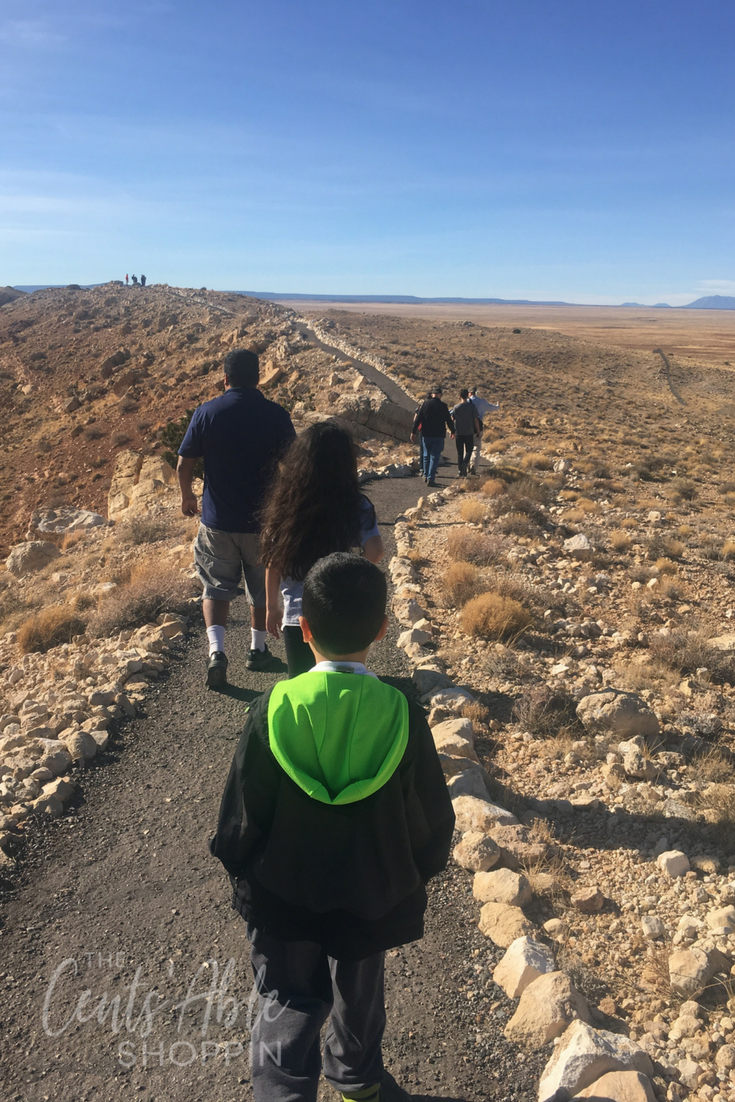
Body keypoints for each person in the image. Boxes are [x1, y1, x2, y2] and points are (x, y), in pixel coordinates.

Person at [209, 553, 455, 1102]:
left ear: (306, 628)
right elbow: (432, 817)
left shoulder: (275, 707)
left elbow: (240, 813)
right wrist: (412, 873)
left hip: (283, 893)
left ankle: (282, 1092)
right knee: (361, 991)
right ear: (383, 630)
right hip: (373, 892)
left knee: (287, 996)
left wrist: (241, 868)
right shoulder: (400, 711)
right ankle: (357, 1081)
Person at [177, 348, 295, 688]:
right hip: (263, 520)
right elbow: (293, 464)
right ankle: (258, 651)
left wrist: (187, 496)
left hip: (217, 519)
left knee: (215, 587)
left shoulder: (206, 412)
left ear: (225, 378)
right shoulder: (275, 414)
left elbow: (185, 463)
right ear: (258, 378)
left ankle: (217, 652)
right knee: (261, 587)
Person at [260, 421, 383, 678]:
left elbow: (272, 560)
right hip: (339, 608)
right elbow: (376, 551)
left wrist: (272, 606)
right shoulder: (356, 505)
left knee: (303, 688)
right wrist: (350, 577)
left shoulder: (286, 504)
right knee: (344, 688)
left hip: (297, 615)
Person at [410, 385, 454, 487]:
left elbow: (418, 419)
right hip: (438, 435)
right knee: (434, 456)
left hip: (426, 434)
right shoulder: (443, 406)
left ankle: (425, 474)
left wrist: (413, 431)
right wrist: (453, 431)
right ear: (440, 395)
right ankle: (430, 477)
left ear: (432, 394)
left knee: (426, 455)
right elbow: (448, 420)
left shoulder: (425, 404)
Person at [468, 386, 499, 474]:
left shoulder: (466, 402)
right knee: (476, 447)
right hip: (478, 426)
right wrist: (497, 406)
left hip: (467, 427)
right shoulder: (482, 402)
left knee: (466, 447)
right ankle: (473, 465)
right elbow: (492, 408)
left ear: (469, 393)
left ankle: (466, 465)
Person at [450, 388, 481, 477]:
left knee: (460, 452)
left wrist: (452, 431)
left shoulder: (456, 407)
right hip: (469, 432)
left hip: (459, 432)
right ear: (468, 395)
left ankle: (461, 470)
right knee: (469, 450)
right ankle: (465, 463)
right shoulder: (471, 407)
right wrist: (478, 430)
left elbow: (452, 419)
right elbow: (475, 420)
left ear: (459, 396)